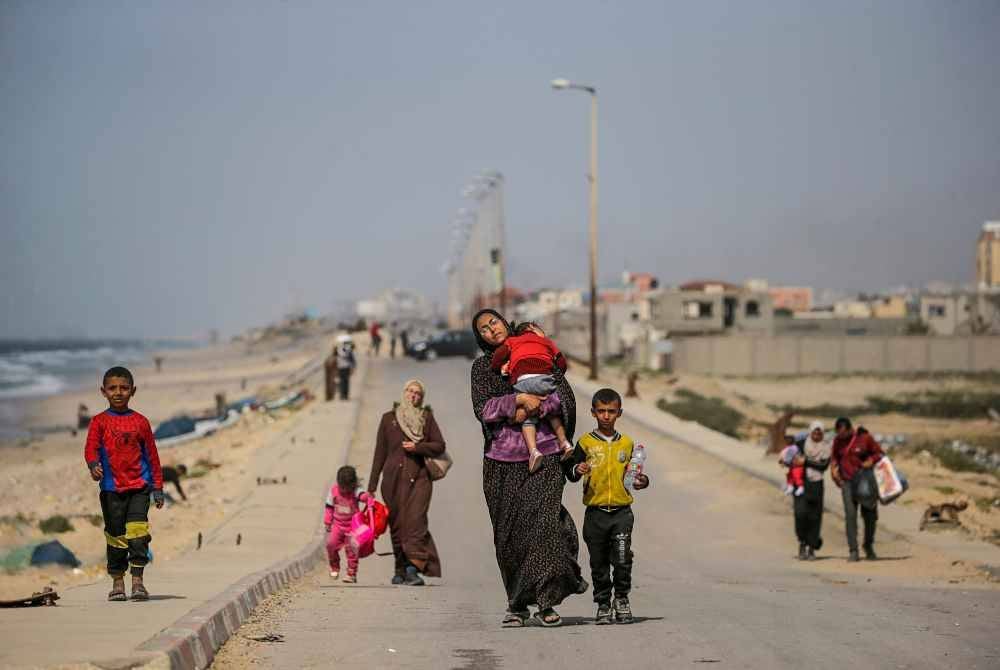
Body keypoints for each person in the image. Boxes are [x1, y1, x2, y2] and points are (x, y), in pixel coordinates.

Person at [471, 308, 587, 628]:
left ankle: (547, 601)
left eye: (494, 321)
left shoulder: (538, 352)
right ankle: (517, 603)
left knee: (543, 528)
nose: (491, 329)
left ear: (505, 323)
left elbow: (564, 397)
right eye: (483, 328)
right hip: (501, 462)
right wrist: (519, 402)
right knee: (509, 537)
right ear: (479, 337)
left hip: (545, 456)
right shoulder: (483, 368)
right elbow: (484, 409)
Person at [564, 388, 650, 624]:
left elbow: (636, 477)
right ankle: (603, 603)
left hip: (621, 512)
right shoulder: (585, 442)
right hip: (595, 513)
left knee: (622, 559)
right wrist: (577, 469)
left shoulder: (627, 444)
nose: (606, 416)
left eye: (611, 411)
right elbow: (570, 472)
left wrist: (643, 481)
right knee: (598, 563)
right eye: (601, 411)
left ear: (619, 413)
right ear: (593, 413)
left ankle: (621, 598)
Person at [83, 366, 164, 602]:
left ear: (133, 391)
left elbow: (152, 456)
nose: (118, 392)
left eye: (124, 388)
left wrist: (157, 487)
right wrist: (92, 464)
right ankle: (117, 583)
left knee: (138, 534)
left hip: (139, 488)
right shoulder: (99, 422)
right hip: (111, 490)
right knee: (116, 536)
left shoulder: (141, 422)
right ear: (103, 392)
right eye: (112, 388)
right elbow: (90, 448)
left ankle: (138, 581)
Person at [367, 379, 444, 586]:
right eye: (410, 391)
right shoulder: (388, 419)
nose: (413, 395)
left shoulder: (426, 418)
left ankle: (413, 568)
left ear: (422, 398)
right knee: (397, 525)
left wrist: (418, 448)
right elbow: (379, 454)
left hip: (420, 479)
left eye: (418, 393)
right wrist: (371, 488)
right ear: (404, 393)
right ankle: (399, 569)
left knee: (416, 523)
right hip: (392, 482)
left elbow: (439, 445)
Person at [489, 321, 574, 473]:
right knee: (553, 413)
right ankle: (565, 443)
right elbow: (562, 363)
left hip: (523, 381)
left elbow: (498, 356)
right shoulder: (545, 341)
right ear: (534, 329)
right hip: (545, 380)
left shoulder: (512, 340)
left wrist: (498, 367)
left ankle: (534, 451)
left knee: (527, 419)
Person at [831, 417, 884, 561]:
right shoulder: (837, 441)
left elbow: (879, 453)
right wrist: (833, 470)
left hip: (866, 482)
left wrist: (870, 461)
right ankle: (853, 550)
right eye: (839, 434)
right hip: (847, 483)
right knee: (850, 516)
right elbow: (834, 457)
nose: (841, 437)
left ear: (850, 429)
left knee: (870, 516)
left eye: (844, 434)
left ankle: (868, 545)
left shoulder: (864, 438)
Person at [782, 421, 831, 560]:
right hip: (801, 484)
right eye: (815, 432)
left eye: (819, 432)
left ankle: (811, 548)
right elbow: (790, 456)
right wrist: (786, 461)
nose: (817, 434)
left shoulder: (826, 447)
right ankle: (802, 542)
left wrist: (805, 462)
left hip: (817, 485)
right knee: (800, 514)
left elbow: (823, 466)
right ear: (810, 431)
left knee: (815, 517)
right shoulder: (801, 444)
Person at [325, 465, 370, 583]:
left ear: (353, 484)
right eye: (342, 487)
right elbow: (329, 507)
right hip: (338, 525)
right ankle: (334, 566)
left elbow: (362, 495)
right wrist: (327, 522)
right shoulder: (334, 491)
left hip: (353, 526)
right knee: (331, 544)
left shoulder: (355, 491)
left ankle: (351, 573)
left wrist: (367, 498)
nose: (345, 491)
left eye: (347, 488)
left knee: (352, 549)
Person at [335, 336, 356, 400]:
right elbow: (352, 359)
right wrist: (353, 367)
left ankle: (342, 396)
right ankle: (345, 396)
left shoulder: (338, 349)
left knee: (342, 381)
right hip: (346, 367)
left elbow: (336, 358)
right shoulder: (348, 349)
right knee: (346, 382)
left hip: (340, 367)